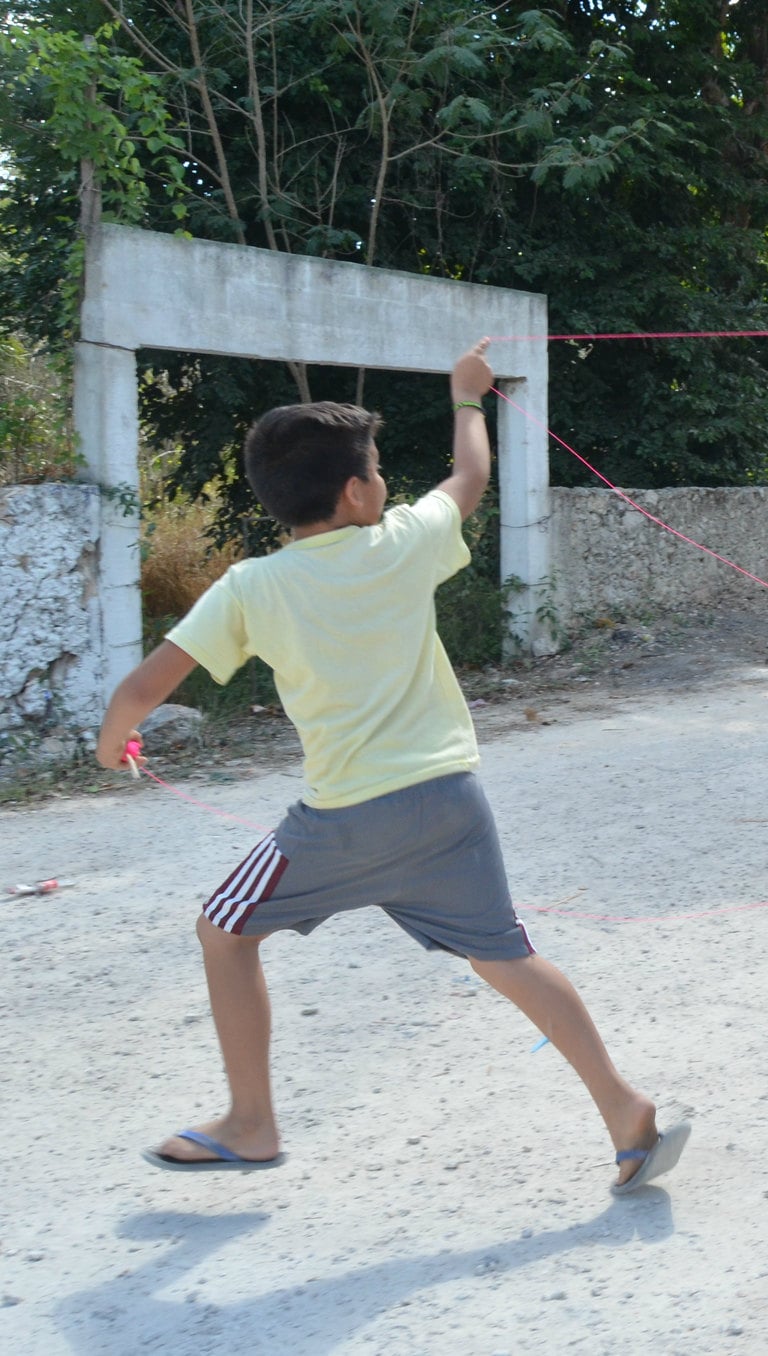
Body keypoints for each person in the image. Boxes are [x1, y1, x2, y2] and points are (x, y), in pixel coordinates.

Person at [95, 340, 686, 1195]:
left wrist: (116, 745)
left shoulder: (252, 585)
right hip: (451, 803)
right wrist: (467, 398)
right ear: (357, 491)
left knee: (224, 932)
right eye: (375, 468)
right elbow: (470, 479)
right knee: (507, 955)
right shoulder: (403, 542)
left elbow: (143, 685)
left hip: (344, 821)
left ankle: (252, 1123)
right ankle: (625, 1110)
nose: (382, 480)